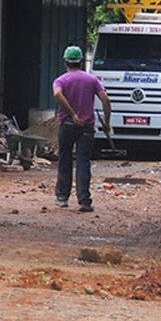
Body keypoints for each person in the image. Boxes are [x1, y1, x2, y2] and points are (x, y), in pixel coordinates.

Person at [53, 45, 111, 212]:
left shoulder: (61, 80)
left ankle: (62, 198)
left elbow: (57, 94)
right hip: (87, 127)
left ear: (66, 63)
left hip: (67, 125)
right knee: (83, 162)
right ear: (81, 63)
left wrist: (71, 114)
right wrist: (107, 123)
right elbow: (105, 99)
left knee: (65, 160)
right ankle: (84, 201)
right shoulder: (92, 80)